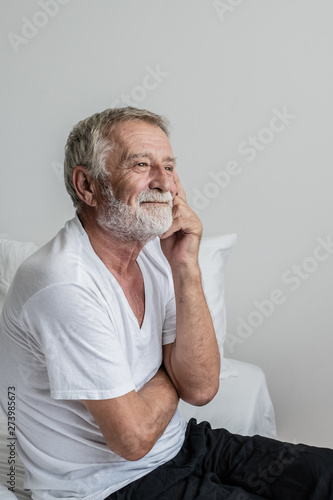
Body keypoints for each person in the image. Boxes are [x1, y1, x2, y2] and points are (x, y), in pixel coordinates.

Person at [0, 107, 332, 500]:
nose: (164, 182)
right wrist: (168, 370)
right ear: (86, 185)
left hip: (182, 446)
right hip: (109, 485)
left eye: (170, 166)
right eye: (142, 164)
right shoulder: (60, 281)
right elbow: (134, 438)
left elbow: (202, 387)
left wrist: (185, 265)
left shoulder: (157, 252)